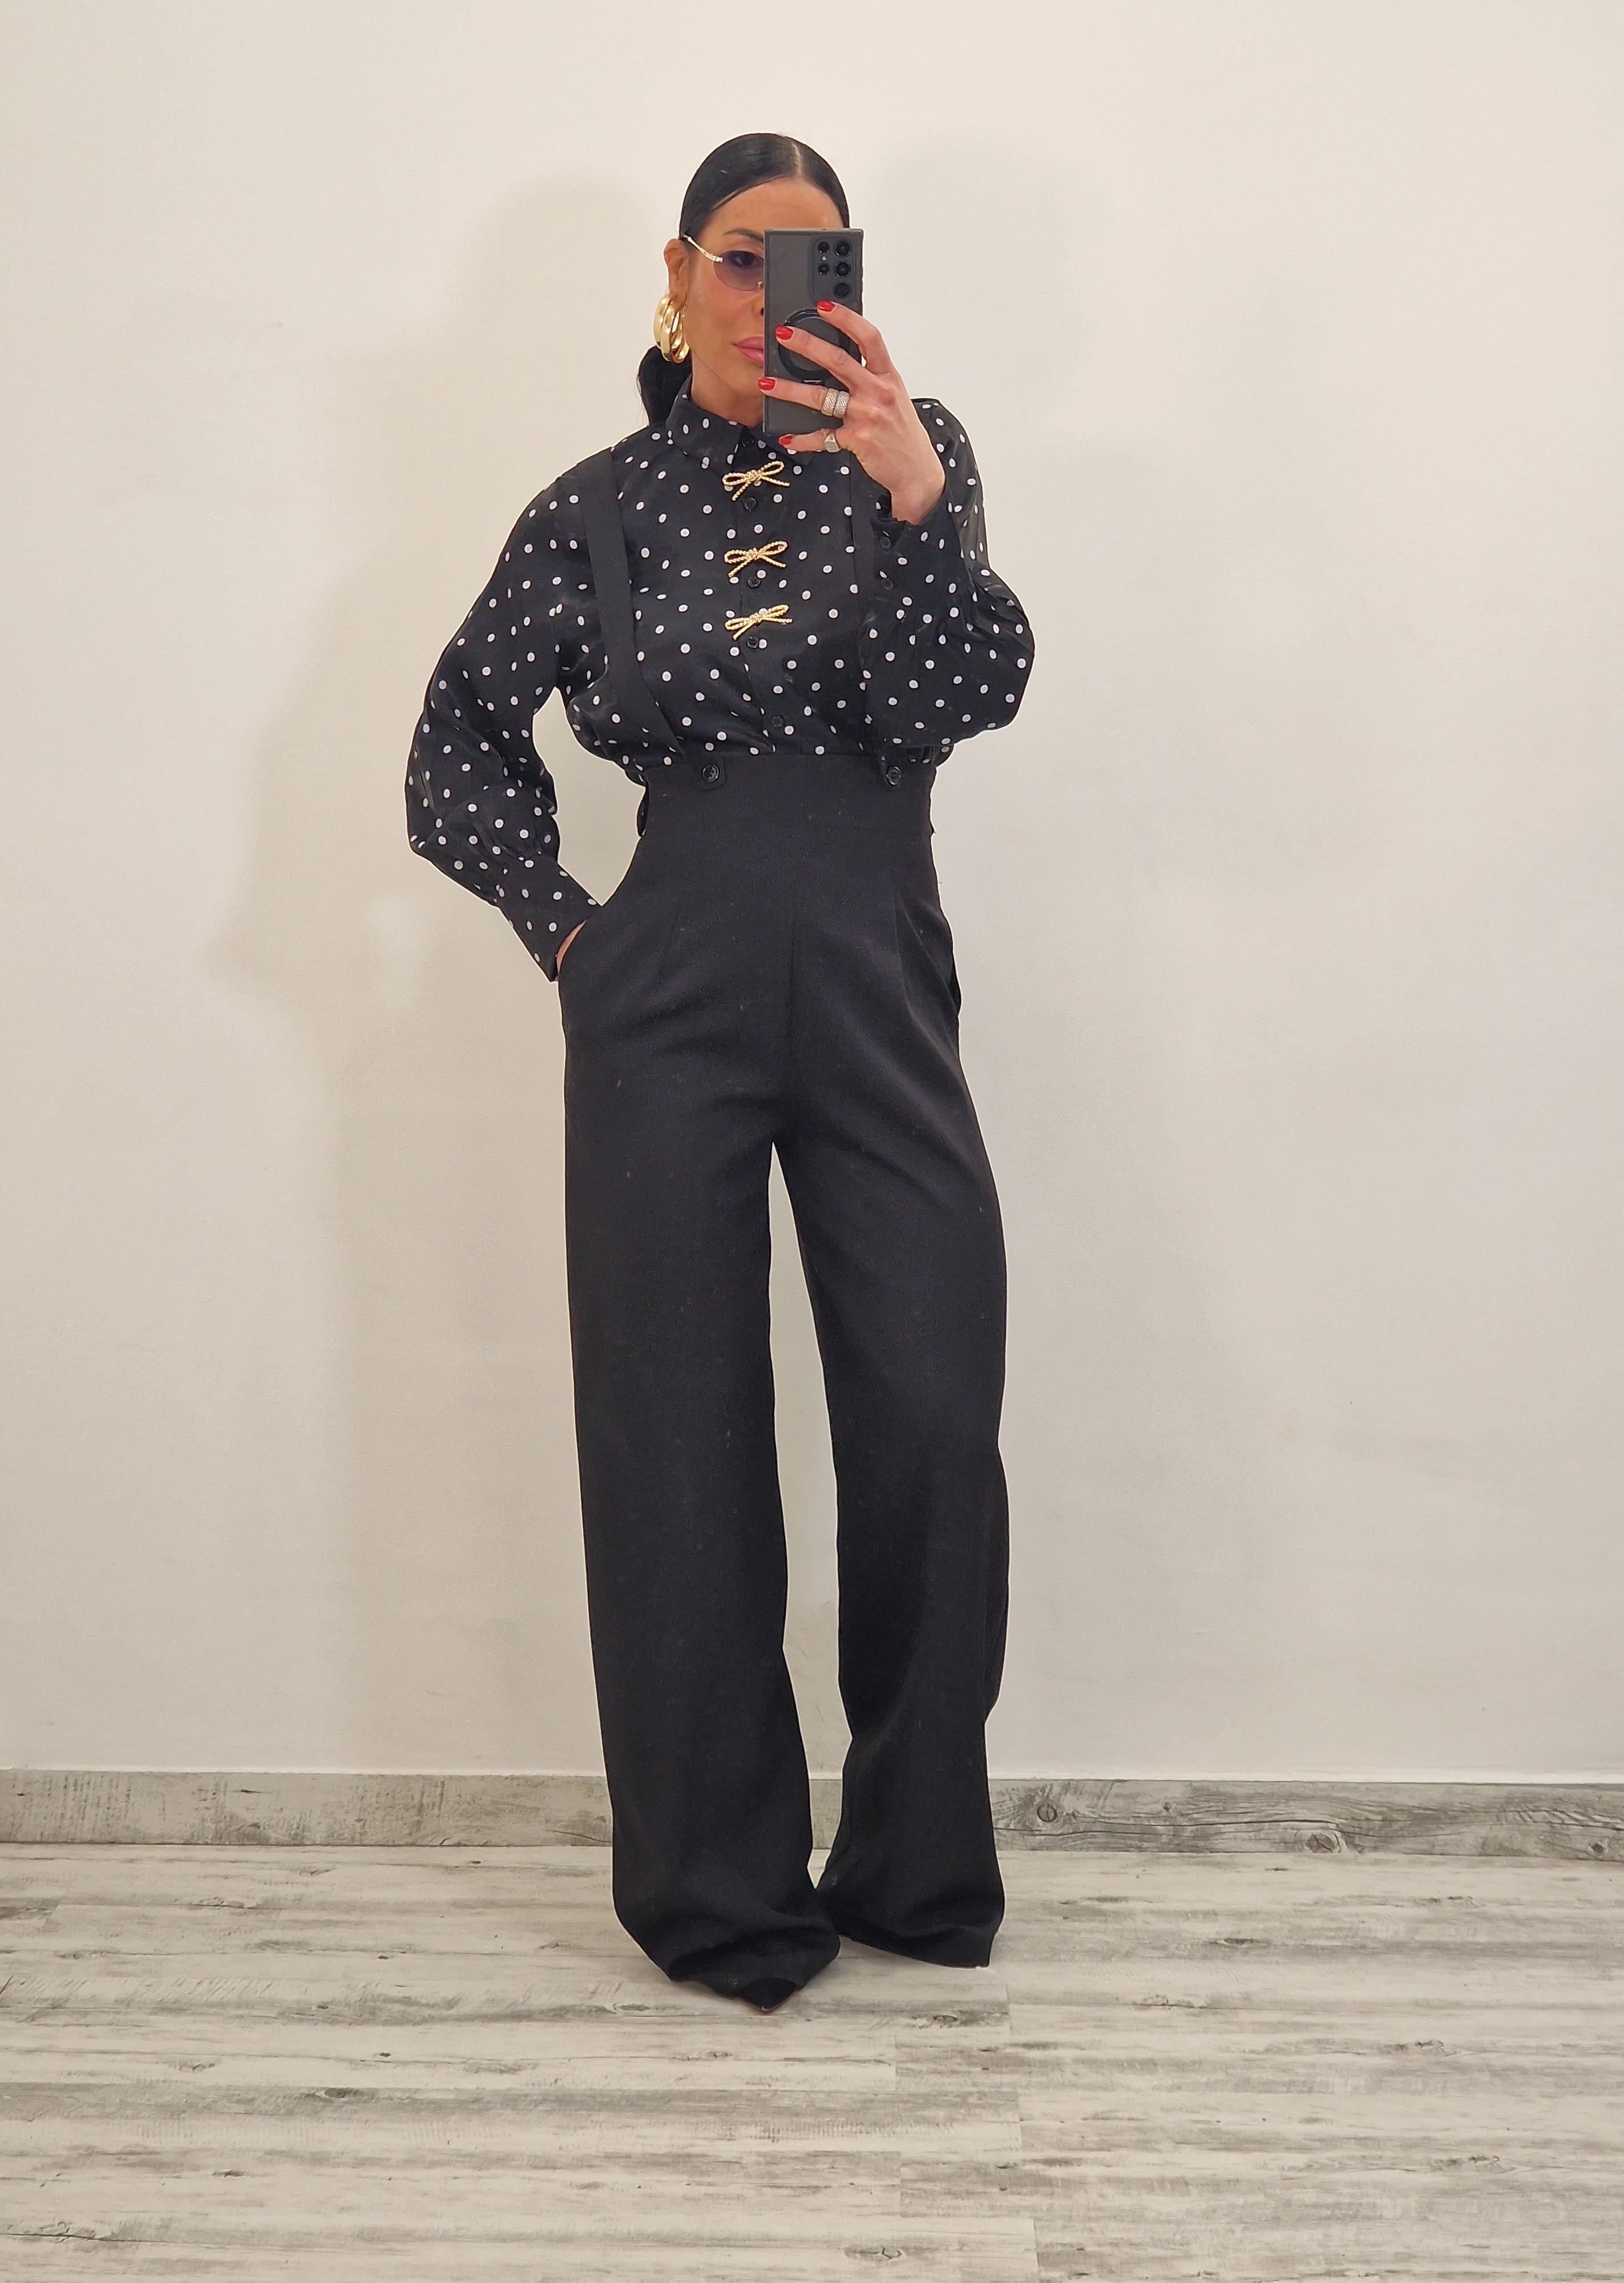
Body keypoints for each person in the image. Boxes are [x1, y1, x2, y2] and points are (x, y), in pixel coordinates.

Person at [405, 132, 1035, 2015]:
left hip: (874, 967)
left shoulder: (912, 459)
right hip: (664, 987)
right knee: (672, 1442)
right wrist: (573, 936)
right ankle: (719, 1895)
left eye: (816, 261)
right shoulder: (592, 510)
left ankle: (914, 1866)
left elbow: (964, 698)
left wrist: (917, 502)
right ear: (682, 277)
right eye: (746, 260)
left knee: (932, 1417)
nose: (779, 297)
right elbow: (454, 749)